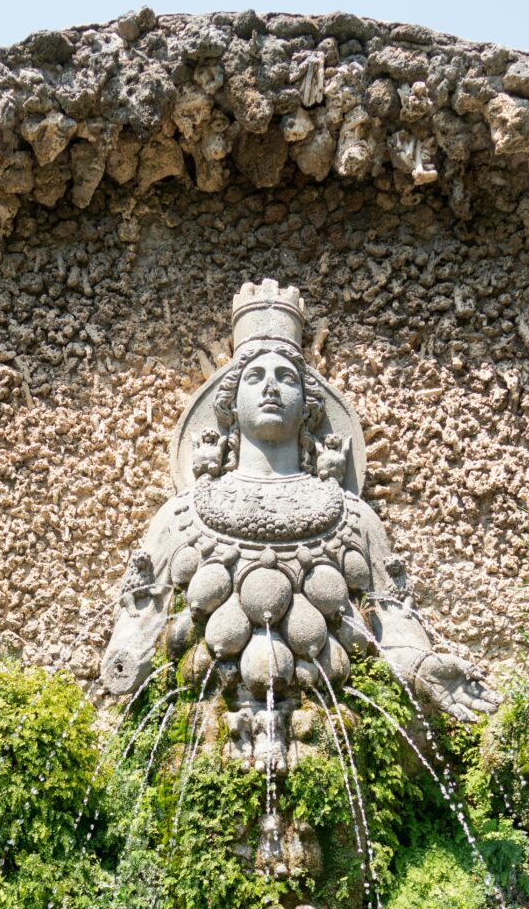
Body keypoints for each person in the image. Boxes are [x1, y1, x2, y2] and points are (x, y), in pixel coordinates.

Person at [99, 281, 495, 727]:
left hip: (327, 730)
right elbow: (140, 622)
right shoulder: (183, 517)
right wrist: (125, 665)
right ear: (229, 404)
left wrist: (422, 669)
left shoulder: (353, 519)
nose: (271, 387)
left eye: (286, 378)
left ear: (308, 405)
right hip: (206, 729)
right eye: (255, 377)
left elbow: (393, 623)